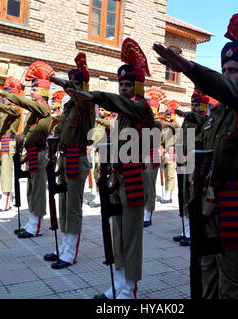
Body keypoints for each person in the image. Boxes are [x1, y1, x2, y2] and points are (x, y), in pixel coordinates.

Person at [153, 13, 238, 298]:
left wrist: (190, 68)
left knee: (231, 283)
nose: (226, 76)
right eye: (224, 71)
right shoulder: (217, 114)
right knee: (206, 271)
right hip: (208, 203)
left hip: (235, 204)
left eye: (232, 70)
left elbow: (230, 91)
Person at [67, 38, 155, 299]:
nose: (125, 89)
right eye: (122, 84)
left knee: (131, 236)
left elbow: (118, 103)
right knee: (117, 233)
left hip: (135, 178)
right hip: (119, 178)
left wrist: (94, 95)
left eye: (129, 84)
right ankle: (118, 283)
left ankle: (129, 288)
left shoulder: (141, 108)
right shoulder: (124, 115)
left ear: (137, 85)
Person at [0, 61, 54, 238]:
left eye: (35, 89)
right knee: (31, 189)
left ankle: (36, 226)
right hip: (31, 154)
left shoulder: (42, 108)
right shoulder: (35, 110)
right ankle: (31, 223)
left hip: (39, 154)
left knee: (37, 191)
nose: (31, 92)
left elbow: (22, 102)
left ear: (43, 92)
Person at [44, 53, 96, 269]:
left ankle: (70, 252)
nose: (72, 88)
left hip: (77, 158)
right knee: (64, 205)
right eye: (71, 83)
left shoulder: (86, 105)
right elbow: (62, 132)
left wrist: (63, 83)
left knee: (73, 207)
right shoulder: (70, 107)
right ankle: (63, 246)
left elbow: (81, 96)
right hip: (65, 159)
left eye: (76, 83)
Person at [173, 92, 209, 247]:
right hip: (183, 162)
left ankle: (193, 232)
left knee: (194, 198)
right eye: (192, 104)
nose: (193, 107)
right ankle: (186, 230)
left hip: (195, 165)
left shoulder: (205, 120)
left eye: (196, 105)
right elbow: (180, 139)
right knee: (184, 197)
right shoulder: (187, 121)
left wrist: (187, 115)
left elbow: (200, 121)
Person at [0, 76, 24, 211]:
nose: (5, 98)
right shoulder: (5, 110)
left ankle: (6, 200)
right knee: (0, 170)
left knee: (6, 171)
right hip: (2, 142)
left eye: (8, 95)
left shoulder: (15, 109)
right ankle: (5, 194)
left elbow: (4, 109)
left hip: (10, 142)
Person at [143, 88, 166, 227]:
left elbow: (154, 125)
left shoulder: (157, 122)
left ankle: (148, 214)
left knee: (150, 186)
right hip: (140, 154)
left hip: (152, 156)